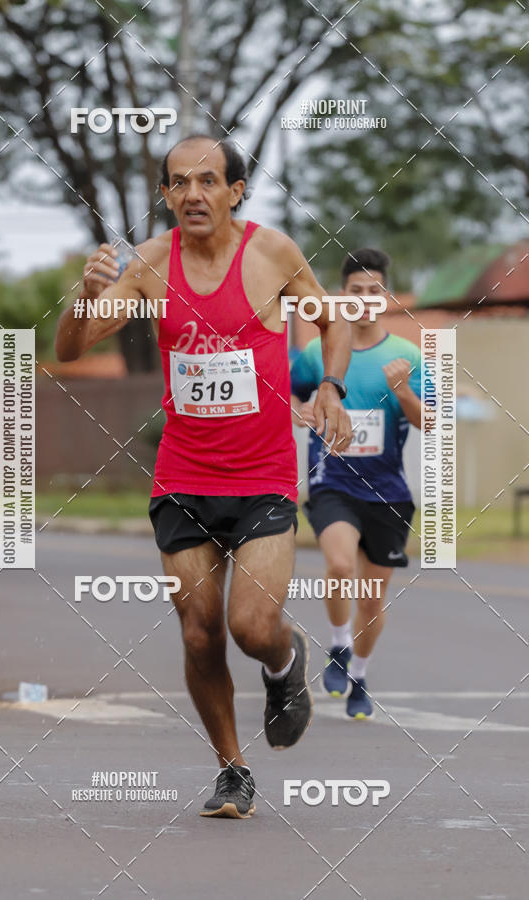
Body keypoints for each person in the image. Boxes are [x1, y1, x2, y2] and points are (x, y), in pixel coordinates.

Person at [55, 134, 353, 817]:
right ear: (165, 195)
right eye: (179, 182)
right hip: (184, 476)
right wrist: (84, 294)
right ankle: (232, 770)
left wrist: (331, 387)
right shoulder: (150, 266)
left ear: (235, 190)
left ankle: (283, 665)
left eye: (208, 180)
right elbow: (72, 347)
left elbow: (332, 318)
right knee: (198, 632)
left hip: (265, 474)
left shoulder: (272, 253)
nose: (194, 193)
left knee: (252, 625)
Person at [291, 248, 422, 719]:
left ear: (386, 296)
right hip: (332, 482)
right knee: (340, 566)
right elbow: (288, 389)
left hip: (388, 492)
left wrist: (403, 389)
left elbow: (432, 422)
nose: (365, 299)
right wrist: (301, 409)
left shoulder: (408, 356)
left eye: (374, 290)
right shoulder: (316, 351)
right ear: (341, 297)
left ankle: (360, 676)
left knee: (372, 599)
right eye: (355, 292)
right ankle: (339, 645)